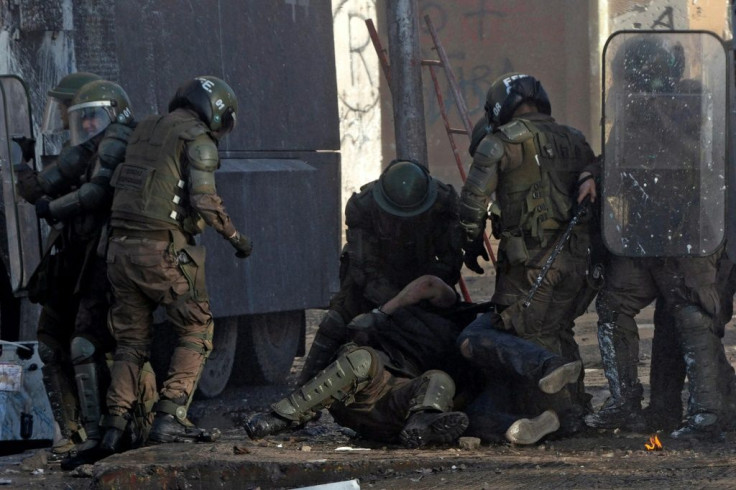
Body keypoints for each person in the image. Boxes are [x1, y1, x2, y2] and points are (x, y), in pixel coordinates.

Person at [585, 34, 734, 439]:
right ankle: (623, 403)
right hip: (640, 238)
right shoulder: (634, 113)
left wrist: (660, 113)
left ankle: (707, 413)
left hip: (690, 238)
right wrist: (591, 175)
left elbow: (702, 159)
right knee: (614, 305)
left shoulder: (695, 105)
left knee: (693, 312)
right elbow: (614, 165)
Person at [99, 76, 253, 453]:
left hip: (118, 251)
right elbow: (204, 201)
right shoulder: (196, 139)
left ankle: (113, 425)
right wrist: (237, 240)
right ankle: (170, 417)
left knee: (131, 342)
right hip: (160, 252)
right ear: (215, 112)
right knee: (197, 328)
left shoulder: (144, 128)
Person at [458, 72, 599, 436]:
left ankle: (549, 415)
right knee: (558, 330)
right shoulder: (575, 140)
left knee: (520, 333)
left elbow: (473, 201)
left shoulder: (501, 142)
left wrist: (471, 241)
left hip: (530, 263)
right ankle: (574, 412)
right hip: (576, 262)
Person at [15, 77, 138, 461]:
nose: (84, 125)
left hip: (100, 264)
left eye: (90, 118)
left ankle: (98, 437)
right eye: (79, 118)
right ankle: (71, 435)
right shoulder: (84, 151)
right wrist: (24, 165)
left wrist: (53, 207)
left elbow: (96, 194)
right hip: (72, 261)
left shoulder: (116, 144)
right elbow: (37, 190)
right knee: (51, 346)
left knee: (85, 346)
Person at [298, 159, 464, 383]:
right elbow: (363, 270)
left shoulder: (445, 203)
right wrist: (389, 307)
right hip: (376, 281)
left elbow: (449, 264)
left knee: (444, 333)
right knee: (335, 321)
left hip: (422, 279)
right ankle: (304, 388)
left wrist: (418, 297)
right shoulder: (362, 208)